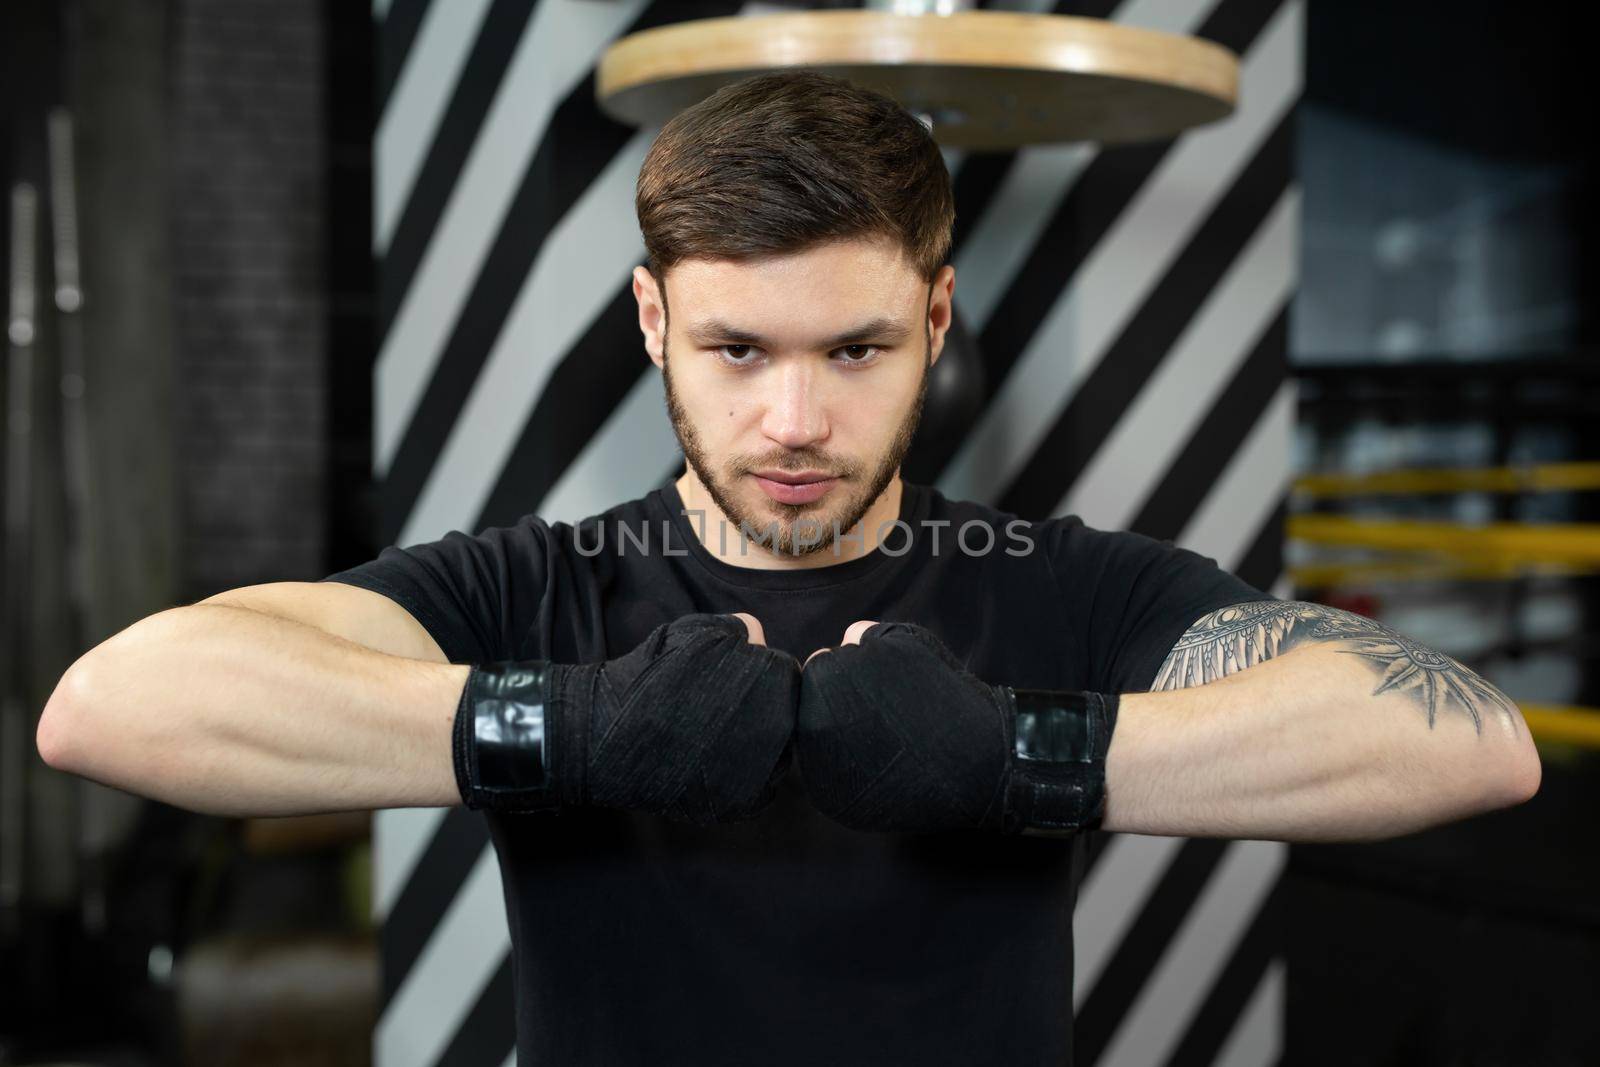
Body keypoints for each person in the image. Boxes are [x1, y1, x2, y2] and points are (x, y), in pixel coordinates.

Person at [39, 71, 1540, 1066]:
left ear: (939, 322)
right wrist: (574, 732)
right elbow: (112, 707)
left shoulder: (1053, 587)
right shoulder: (538, 592)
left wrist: (1027, 754)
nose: (796, 422)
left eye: (858, 349)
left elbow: (1471, 744)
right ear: (650, 322)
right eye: (737, 350)